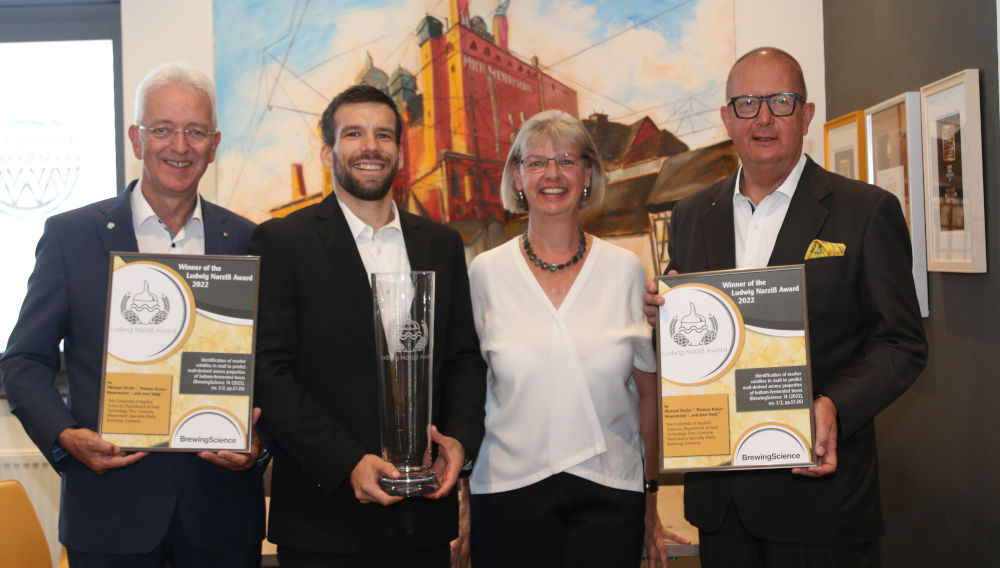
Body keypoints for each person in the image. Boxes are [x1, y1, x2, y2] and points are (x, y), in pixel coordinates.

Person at [643, 47, 928, 568]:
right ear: (728, 118)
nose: (764, 118)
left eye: (781, 100)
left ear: (807, 114)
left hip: (821, 503)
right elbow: (701, 344)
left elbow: (901, 344)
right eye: (748, 103)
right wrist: (665, 318)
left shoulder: (866, 212)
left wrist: (835, 405)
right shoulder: (690, 215)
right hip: (722, 506)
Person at [1, 62, 265, 567]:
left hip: (222, 517)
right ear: (135, 138)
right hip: (108, 518)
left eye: (196, 132)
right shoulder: (70, 237)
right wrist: (64, 435)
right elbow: (24, 361)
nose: (179, 146)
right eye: (162, 129)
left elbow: (276, 364)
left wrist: (260, 441)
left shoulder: (253, 242)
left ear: (215, 143)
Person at [249, 84, 487, 567]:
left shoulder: (440, 244)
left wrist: (457, 443)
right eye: (353, 133)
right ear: (327, 151)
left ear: (400, 150)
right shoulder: (283, 241)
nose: (371, 147)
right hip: (325, 519)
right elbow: (269, 374)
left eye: (384, 134)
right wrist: (347, 463)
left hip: (424, 521)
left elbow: (463, 359)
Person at [464, 109, 681, 568]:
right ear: (517, 177)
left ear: (588, 174)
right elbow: (466, 394)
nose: (552, 173)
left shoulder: (625, 270)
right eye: (536, 161)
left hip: (610, 496)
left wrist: (650, 498)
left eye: (566, 159)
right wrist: (463, 503)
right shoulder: (485, 273)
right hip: (505, 495)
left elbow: (647, 398)